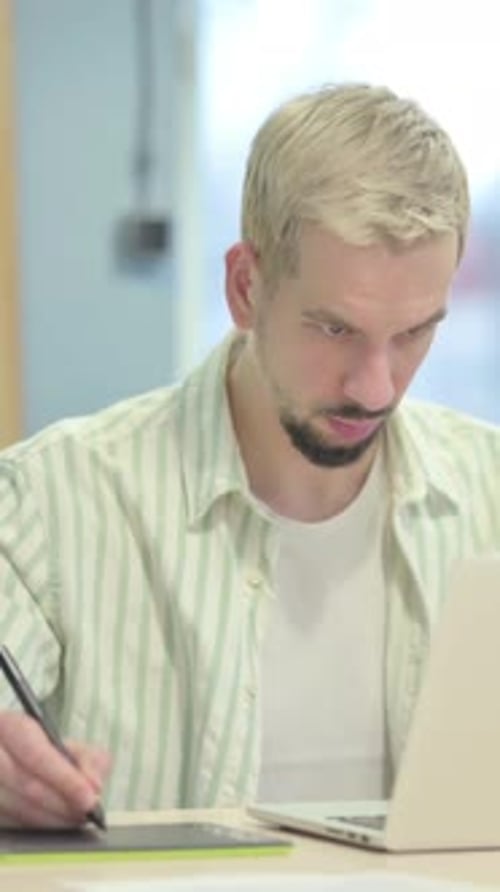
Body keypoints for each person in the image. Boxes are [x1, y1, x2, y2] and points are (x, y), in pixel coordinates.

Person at [0, 82, 499, 829]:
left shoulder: (491, 491)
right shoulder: (50, 501)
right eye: (334, 330)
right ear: (244, 286)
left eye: (414, 334)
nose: (376, 385)